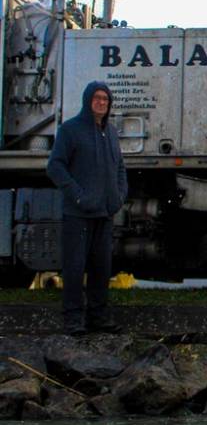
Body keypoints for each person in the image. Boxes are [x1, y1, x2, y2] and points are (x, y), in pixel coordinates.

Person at [47, 81, 127, 335]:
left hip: (104, 213)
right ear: (87, 100)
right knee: (74, 267)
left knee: (101, 268)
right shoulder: (70, 130)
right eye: (97, 98)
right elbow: (55, 166)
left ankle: (98, 317)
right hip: (78, 213)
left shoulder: (111, 133)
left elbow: (120, 168)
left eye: (105, 98)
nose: (101, 102)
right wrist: (78, 196)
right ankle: (73, 319)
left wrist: (119, 196)